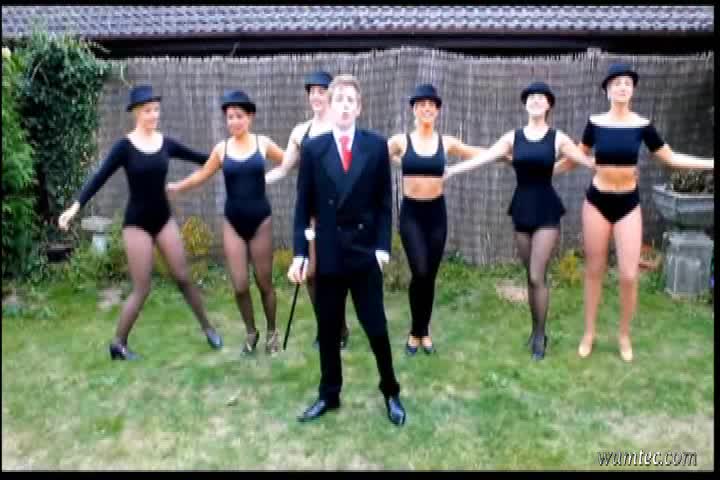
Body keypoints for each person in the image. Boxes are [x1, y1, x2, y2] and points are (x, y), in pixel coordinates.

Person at [58, 84, 223, 360]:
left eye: (156, 110)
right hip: (137, 224)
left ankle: (208, 328)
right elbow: (99, 177)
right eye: (148, 111)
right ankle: (118, 344)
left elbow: (201, 159)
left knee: (183, 277)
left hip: (163, 219)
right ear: (136, 113)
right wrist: (75, 207)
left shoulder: (166, 143)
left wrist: (229, 158)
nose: (154, 115)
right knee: (142, 287)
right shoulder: (124, 147)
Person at [564, 63, 714, 362]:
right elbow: (576, 156)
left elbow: (671, 158)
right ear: (607, 90)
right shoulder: (595, 123)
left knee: (629, 274)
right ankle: (589, 333)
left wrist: (710, 164)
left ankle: (623, 335)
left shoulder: (642, 125)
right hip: (597, 202)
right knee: (594, 270)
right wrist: (544, 167)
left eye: (627, 83)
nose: (622, 87)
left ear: (632, 90)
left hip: (627, 204)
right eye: (616, 83)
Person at [445, 81, 595, 360]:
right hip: (522, 208)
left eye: (541, 97)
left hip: (546, 209)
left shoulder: (557, 138)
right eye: (531, 97)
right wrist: (452, 171)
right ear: (525, 104)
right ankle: (535, 329)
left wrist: (613, 170)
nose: (535, 100)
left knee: (537, 274)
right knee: (530, 276)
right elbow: (485, 157)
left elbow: (585, 160)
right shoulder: (512, 138)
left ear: (548, 105)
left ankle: (540, 336)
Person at [288, 74, 406, 426]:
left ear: (359, 107)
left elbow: (384, 203)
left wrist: (382, 248)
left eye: (350, 100)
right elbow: (302, 206)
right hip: (329, 254)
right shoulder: (313, 149)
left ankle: (391, 391)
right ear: (329, 105)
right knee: (327, 330)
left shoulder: (375, 146)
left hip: (364, 253)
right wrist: (300, 253)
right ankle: (329, 394)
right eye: (338, 99)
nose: (343, 106)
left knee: (376, 327)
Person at [167, 90, 285, 354]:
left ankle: (272, 333)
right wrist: (177, 187)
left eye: (239, 116)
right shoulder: (222, 149)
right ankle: (251, 333)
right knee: (240, 285)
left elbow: (289, 161)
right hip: (233, 222)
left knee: (264, 282)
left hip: (261, 221)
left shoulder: (262, 143)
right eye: (230, 117)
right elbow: (201, 175)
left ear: (250, 117)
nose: (234, 121)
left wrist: (307, 159)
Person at [387, 83, 485, 355]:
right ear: (414, 110)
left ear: (437, 111)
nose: (427, 109)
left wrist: (508, 154)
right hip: (411, 215)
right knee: (419, 271)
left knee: (429, 275)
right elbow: (375, 157)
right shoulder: (400, 141)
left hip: (436, 215)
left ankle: (423, 332)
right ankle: (415, 331)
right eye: (422, 105)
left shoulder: (446, 142)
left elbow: (472, 152)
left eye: (431, 105)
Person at [266, 71, 350, 350]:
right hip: (312, 213)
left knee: (336, 274)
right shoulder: (300, 132)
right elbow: (284, 168)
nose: (316, 96)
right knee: (311, 274)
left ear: (330, 95)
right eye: (312, 91)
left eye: (321, 91)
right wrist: (258, 180)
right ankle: (327, 326)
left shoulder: (341, 128)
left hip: (339, 213)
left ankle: (340, 327)